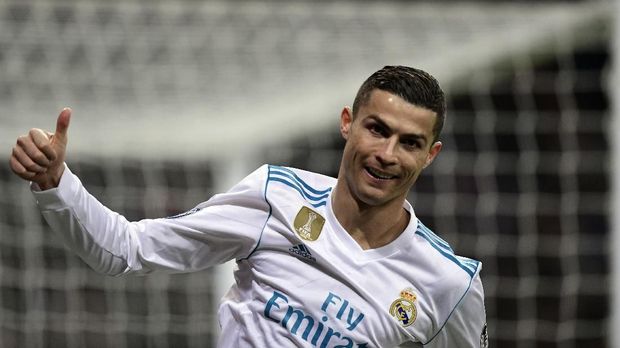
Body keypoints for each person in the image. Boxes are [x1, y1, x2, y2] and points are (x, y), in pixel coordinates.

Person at [9, 66, 487, 347]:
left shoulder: (450, 284)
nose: (386, 154)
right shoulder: (275, 197)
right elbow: (126, 251)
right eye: (377, 129)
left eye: (409, 142)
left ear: (431, 154)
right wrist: (57, 183)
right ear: (348, 123)